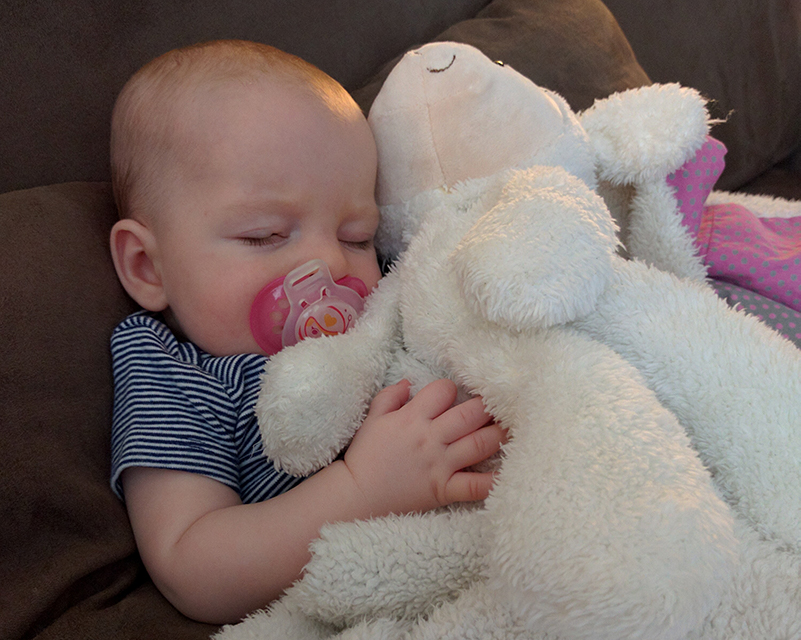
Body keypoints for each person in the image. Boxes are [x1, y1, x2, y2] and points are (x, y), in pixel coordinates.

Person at [107, 39, 505, 625]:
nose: (332, 265)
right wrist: (363, 489)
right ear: (147, 266)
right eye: (265, 235)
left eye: (356, 235)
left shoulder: (390, 309)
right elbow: (191, 565)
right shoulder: (174, 373)